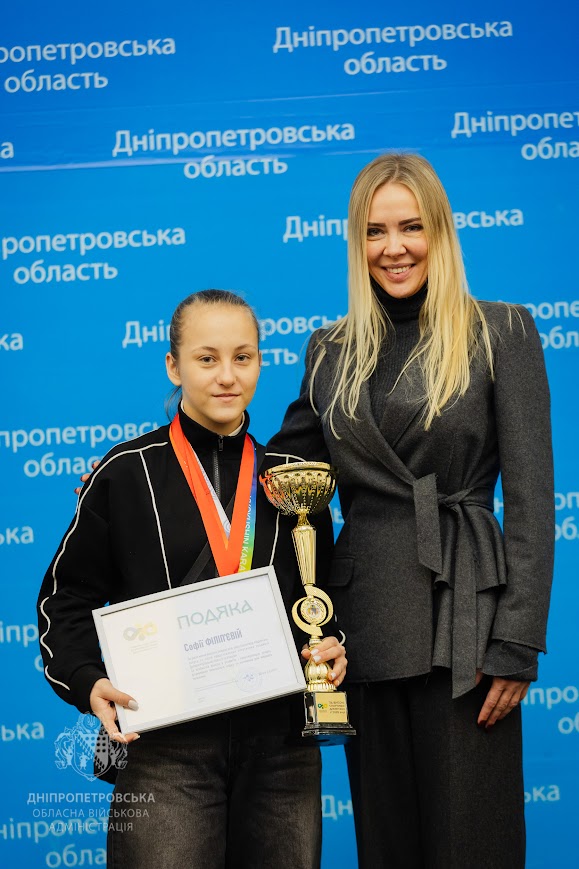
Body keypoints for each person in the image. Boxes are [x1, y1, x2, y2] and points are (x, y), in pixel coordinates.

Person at [267, 153, 554, 869]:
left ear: (441, 231)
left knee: (472, 845)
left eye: (410, 227)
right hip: (364, 626)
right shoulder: (330, 349)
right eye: (374, 231)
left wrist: (517, 640)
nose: (393, 247)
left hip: (468, 621)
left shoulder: (502, 331)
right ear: (356, 242)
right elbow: (281, 473)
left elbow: (531, 501)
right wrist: (144, 470)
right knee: (387, 846)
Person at [38, 289, 347, 869]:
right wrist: (87, 679)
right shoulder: (125, 472)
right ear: (174, 367)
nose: (227, 376)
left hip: (281, 749)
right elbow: (66, 597)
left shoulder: (293, 480)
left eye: (243, 357)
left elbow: (327, 597)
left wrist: (333, 644)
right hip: (163, 748)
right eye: (207, 359)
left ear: (260, 363)